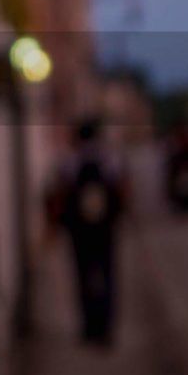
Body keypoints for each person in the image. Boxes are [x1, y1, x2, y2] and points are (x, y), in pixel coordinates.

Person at [48, 118, 126, 346]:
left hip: (79, 231)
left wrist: (54, 226)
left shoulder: (70, 161)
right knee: (108, 275)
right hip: (105, 229)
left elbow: (60, 195)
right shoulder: (109, 159)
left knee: (83, 276)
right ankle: (107, 326)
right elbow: (122, 189)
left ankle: (89, 326)